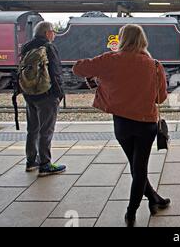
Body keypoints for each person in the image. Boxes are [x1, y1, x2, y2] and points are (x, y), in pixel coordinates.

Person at [73, 24, 171, 227]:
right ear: (143, 40)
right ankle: (131, 212)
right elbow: (160, 98)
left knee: (136, 168)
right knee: (140, 168)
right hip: (146, 125)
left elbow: (78, 68)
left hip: (122, 125)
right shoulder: (154, 65)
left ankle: (154, 199)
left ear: (122, 39)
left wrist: (99, 69)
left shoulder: (110, 60)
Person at [21, 21, 66, 177]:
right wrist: (59, 94)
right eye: (53, 31)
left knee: (32, 129)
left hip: (29, 95)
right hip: (47, 96)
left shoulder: (26, 46)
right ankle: (45, 165)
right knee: (45, 130)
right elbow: (56, 72)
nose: (54, 34)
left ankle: (31, 161)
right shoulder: (48, 47)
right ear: (47, 33)